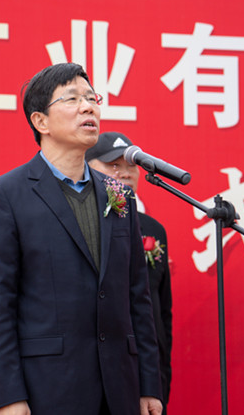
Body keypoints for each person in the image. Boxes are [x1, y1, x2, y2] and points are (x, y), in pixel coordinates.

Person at [0, 63, 163, 415]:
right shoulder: (5, 195)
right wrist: (7, 397)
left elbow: (138, 297)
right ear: (40, 121)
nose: (88, 107)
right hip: (47, 389)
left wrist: (149, 385)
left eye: (92, 98)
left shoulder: (119, 195)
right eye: (72, 99)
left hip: (120, 390)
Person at [86, 132, 173, 415]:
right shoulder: (83, 225)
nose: (124, 173)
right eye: (113, 165)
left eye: (130, 166)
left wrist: (159, 376)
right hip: (99, 370)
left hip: (147, 374)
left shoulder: (154, 230)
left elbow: (161, 312)